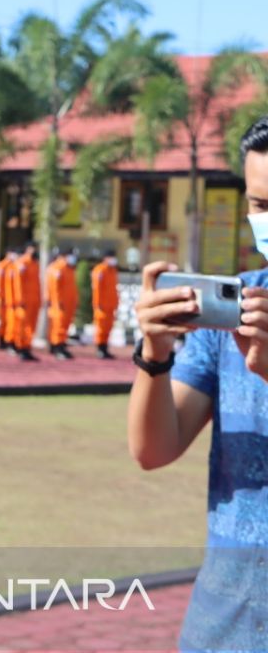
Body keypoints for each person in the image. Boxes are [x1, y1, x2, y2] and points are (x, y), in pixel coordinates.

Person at [128, 116, 268, 650]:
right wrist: (155, 351)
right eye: (260, 205)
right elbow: (153, 448)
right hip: (222, 625)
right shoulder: (234, 307)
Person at [46, 247, 79, 360]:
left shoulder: (68, 269)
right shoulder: (57, 268)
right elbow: (54, 288)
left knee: (64, 325)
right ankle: (57, 347)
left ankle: (61, 345)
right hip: (59, 304)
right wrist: (58, 301)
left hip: (68, 303)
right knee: (58, 325)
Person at [13, 242, 40, 361]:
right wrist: (20, 299)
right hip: (24, 301)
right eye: (31, 248)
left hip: (34, 300)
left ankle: (27, 347)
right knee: (22, 325)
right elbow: (18, 283)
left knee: (31, 326)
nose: (34, 250)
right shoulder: (22, 263)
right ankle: (21, 347)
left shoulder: (35, 264)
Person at [92, 248, 120, 358]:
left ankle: (105, 348)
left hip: (111, 305)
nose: (113, 259)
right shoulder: (99, 270)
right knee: (101, 327)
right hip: (101, 305)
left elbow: (114, 289)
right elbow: (96, 289)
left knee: (108, 327)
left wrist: (116, 303)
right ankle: (99, 347)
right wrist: (98, 303)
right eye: (111, 257)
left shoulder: (113, 271)